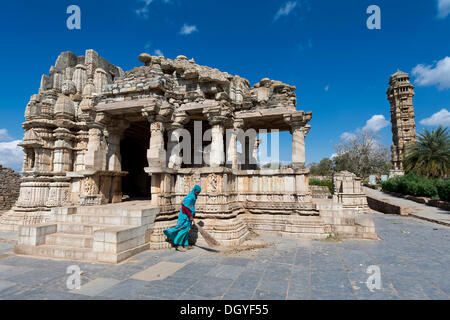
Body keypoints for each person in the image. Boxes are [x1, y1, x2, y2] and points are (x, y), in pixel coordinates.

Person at [163, 185, 201, 252]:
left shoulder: (194, 196)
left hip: (188, 216)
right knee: (182, 230)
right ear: (194, 191)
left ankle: (186, 245)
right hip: (184, 216)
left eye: (199, 193)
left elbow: (191, 207)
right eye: (197, 192)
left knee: (186, 231)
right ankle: (178, 245)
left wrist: (192, 214)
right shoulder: (190, 197)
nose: (198, 194)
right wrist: (190, 216)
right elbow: (185, 207)